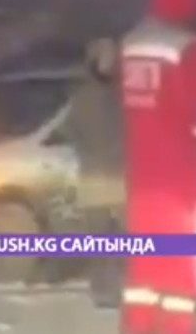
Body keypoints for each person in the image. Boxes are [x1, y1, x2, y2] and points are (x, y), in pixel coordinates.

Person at [119, 0, 196, 334]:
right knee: (179, 271)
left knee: (145, 268)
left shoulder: (130, 43)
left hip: (141, 179)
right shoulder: (189, 47)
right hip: (180, 181)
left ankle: (138, 327)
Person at [67, 37, 127, 307]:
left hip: (103, 175)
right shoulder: (113, 96)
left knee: (110, 239)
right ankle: (108, 289)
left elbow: (73, 133)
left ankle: (109, 289)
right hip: (108, 175)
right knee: (109, 239)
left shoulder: (84, 96)